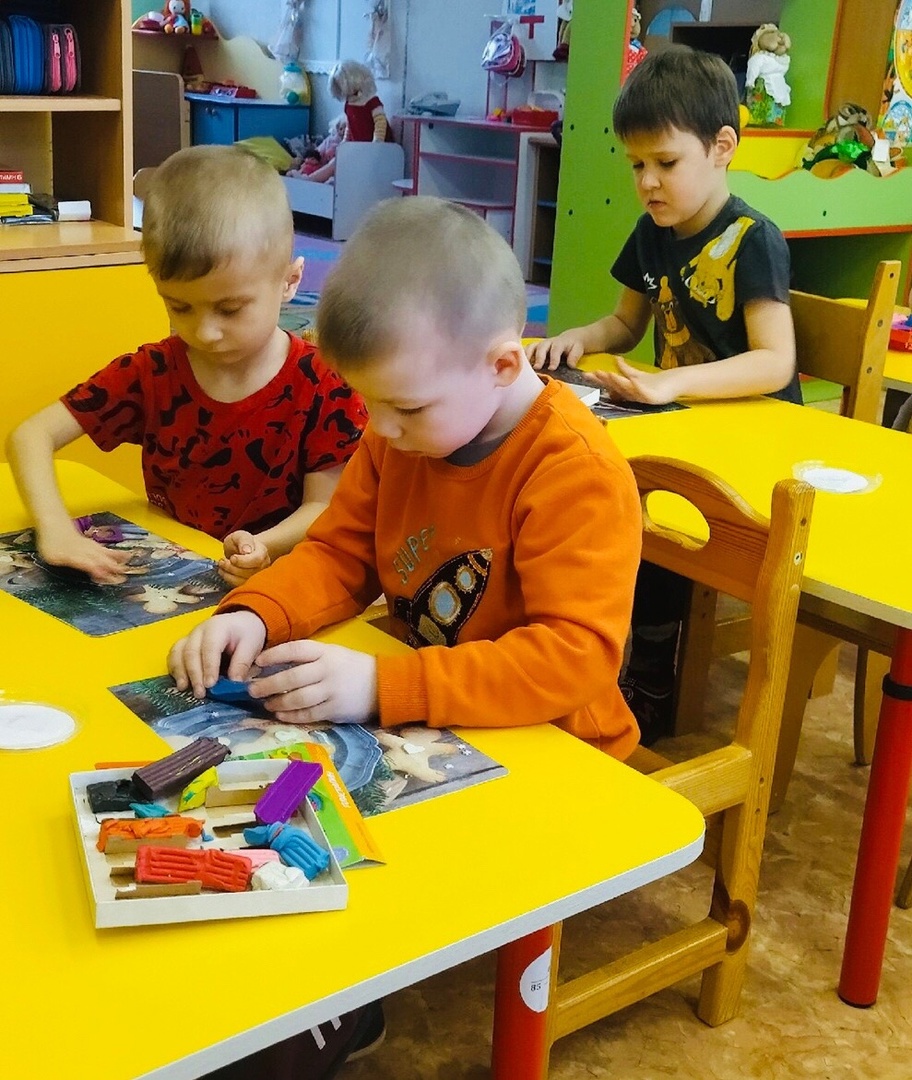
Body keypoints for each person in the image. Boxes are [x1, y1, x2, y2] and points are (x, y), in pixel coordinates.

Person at [168, 195, 643, 763]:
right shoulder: (400, 434)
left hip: (561, 748)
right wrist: (257, 612)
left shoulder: (575, 472)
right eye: (368, 400)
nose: (380, 426)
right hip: (435, 728)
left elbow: (573, 658)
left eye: (407, 407)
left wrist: (381, 686)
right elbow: (340, 553)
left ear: (502, 366)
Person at [527, 45, 802, 743]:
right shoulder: (654, 232)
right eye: (636, 164)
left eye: (666, 163)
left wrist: (672, 380)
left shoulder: (752, 239)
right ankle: (609, 661)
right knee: (613, 499)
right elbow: (627, 323)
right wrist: (576, 339)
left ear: (721, 148)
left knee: (659, 522)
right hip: (683, 423)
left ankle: (649, 681)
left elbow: (775, 363)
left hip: (756, 438)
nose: (648, 182)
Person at [6, 145, 367, 588]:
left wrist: (263, 546)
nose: (205, 332)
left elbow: (324, 507)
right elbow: (30, 436)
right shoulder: (152, 371)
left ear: (290, 281)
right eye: (179, 307)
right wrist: (55, 529)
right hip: (175, 579)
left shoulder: (327, 385)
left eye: (230, 309)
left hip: (280, 582)